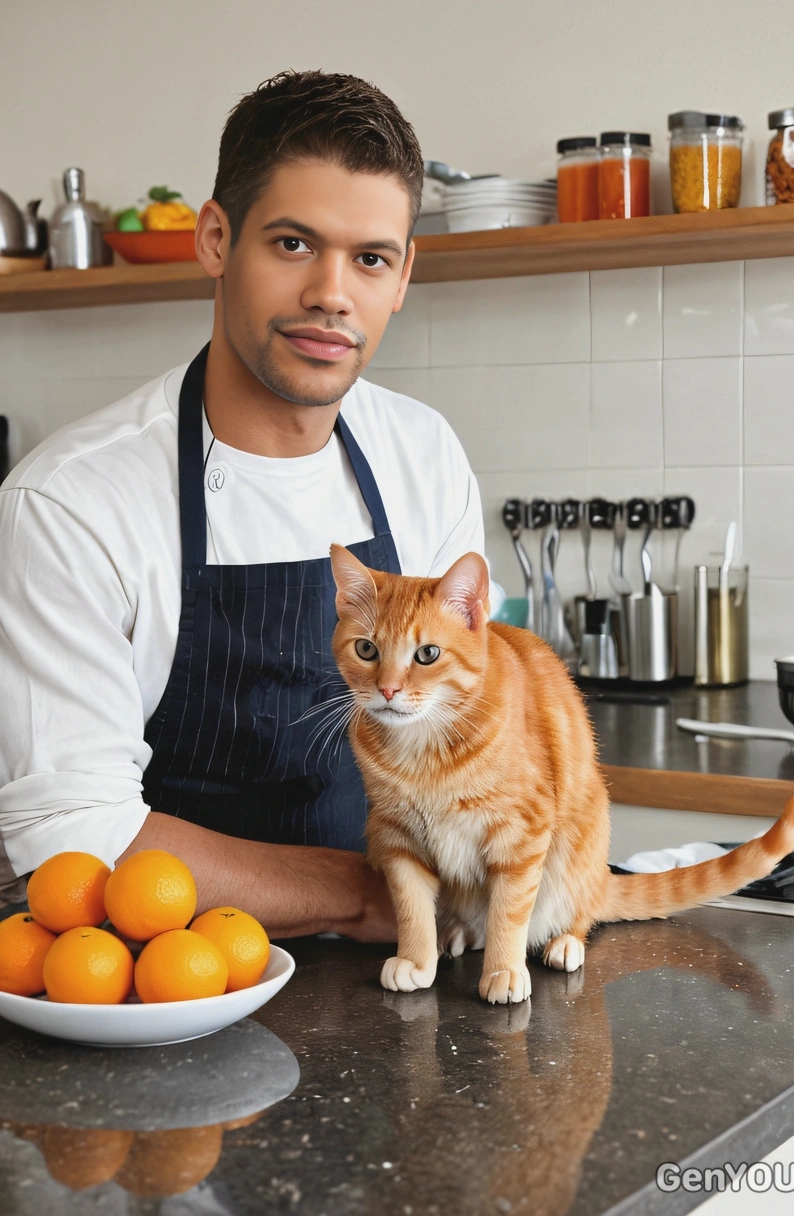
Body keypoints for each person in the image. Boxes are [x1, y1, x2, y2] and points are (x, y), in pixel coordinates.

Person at [0, 71, 496, 940]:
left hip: (404, 971)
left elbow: (469, 723)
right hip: (155, 997)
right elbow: (70, 837)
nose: (332, 295)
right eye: (295, 244)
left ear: (405, 273)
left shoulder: (424, 455)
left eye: (371, 258)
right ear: (216, 239)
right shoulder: (70, 502)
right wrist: (364, 894)